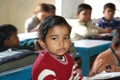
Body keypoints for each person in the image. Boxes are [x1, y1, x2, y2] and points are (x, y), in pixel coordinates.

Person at [31, 15, 88, 80]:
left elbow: (76, 77)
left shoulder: (68, 57)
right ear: (42, 43)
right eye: (54, 38)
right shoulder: (43, 67)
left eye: (65, 38)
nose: (61, 43)